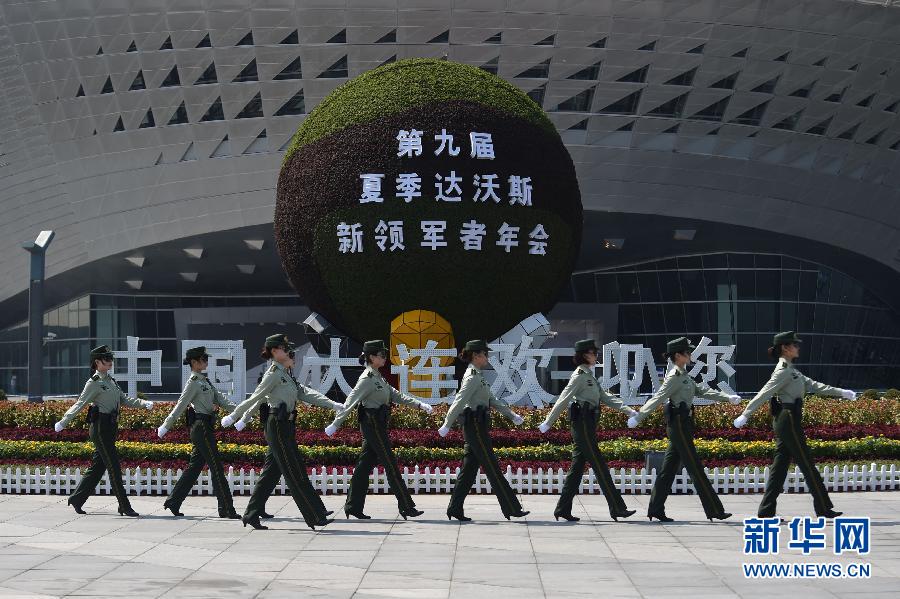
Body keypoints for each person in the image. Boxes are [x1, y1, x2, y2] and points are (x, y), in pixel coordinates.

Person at [222, 334, 342, 530]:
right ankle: (315, 516)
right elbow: (255, 397)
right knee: (294, 470)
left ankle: (251, 514)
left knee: (271, 473)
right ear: (275, 351)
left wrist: (332, 404)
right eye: (286, 350)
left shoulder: (285, 374)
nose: (290, 353)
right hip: (277, 425)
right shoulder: (273, 374)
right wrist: (235, 416)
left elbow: (305, 393)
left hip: (285, 425)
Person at [734, 331, 855, 519]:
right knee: (806, 462)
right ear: (785, 348)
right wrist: (746, 414)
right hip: (788, 419)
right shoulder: (783, 371)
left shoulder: (792, 370)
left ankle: (766, 512)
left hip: (790, 419)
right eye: (795, 344)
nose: (798, 347)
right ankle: (823, 507)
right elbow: (764, 393)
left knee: (780, 467)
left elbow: (815, 385)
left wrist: (842, 392)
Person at [627, 337, 741, 522]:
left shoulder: (684, 375)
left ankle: (655, 508)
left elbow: (702, 391)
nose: (690, 355)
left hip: (684, 424)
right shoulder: (674, 377)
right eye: (687, 352)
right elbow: (658, 398)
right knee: (695, 467)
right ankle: (714, 510)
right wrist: (638, 417)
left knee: (668, 470)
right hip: (678, 425)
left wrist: (727, 397)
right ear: (678, 356)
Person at [325, 340, 433, 519]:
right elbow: (350, 402)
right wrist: (335, 424)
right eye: (381, 355)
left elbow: (395, 395)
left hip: (378, 424)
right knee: (390, 464)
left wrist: (419, 404)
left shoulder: (378, 376)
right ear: (371, 357)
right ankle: (406, 506)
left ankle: (353, 506)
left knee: (364, 465)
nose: (384, 357)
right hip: (372, 424)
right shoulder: (366, 379)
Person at [538, 339, 638, 522]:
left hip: (589, 424)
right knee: (599, 465)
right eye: (593, 352)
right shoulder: (579, 376)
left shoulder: (590, 376)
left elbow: (605, 397)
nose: (596, 355)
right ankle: (617, 508)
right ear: (585, 355)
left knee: (577, 469)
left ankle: (562, 509)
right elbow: (563, 399)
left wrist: (628, 410)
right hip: (582, 424)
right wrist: (548, 422)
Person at [54, 345, 153, 517]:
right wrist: (64, 421)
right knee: (114, 466)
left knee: (98, 467)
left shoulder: (110, 380)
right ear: (97, 362)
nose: (110, 362)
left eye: (110, 359)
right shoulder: (94, 383)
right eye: (106, 359)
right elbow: (80, 403)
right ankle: (124, 505)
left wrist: (143, 403)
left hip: (110, 427)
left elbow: (124, 399)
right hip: (100, 428)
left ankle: (77, 498)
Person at [439, 339, 529, 522]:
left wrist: (512, 415)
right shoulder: (472, 377)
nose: (487, 358)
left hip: (478, 426)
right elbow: (460, 400)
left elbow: (492, 399)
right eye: (484, 354)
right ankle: (512, 508)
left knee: (468, 470)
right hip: (474, 426)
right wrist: (447, 423)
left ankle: (455, 508)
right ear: (475, 356)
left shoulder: (478, 375)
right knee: (492, 466)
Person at [157, 346, 239, 519]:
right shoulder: (193, 382)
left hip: (206, 426)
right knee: (216, 467)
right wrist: (166, 425)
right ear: (194, 362)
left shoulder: (205, 381)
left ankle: (173, 502)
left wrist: (241, 412)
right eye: (203, 359)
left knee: (194, 467)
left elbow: (222, 400)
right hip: (201, 427)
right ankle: (226, 508)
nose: (206, 362)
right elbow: (180, 405)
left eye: (206, 359)